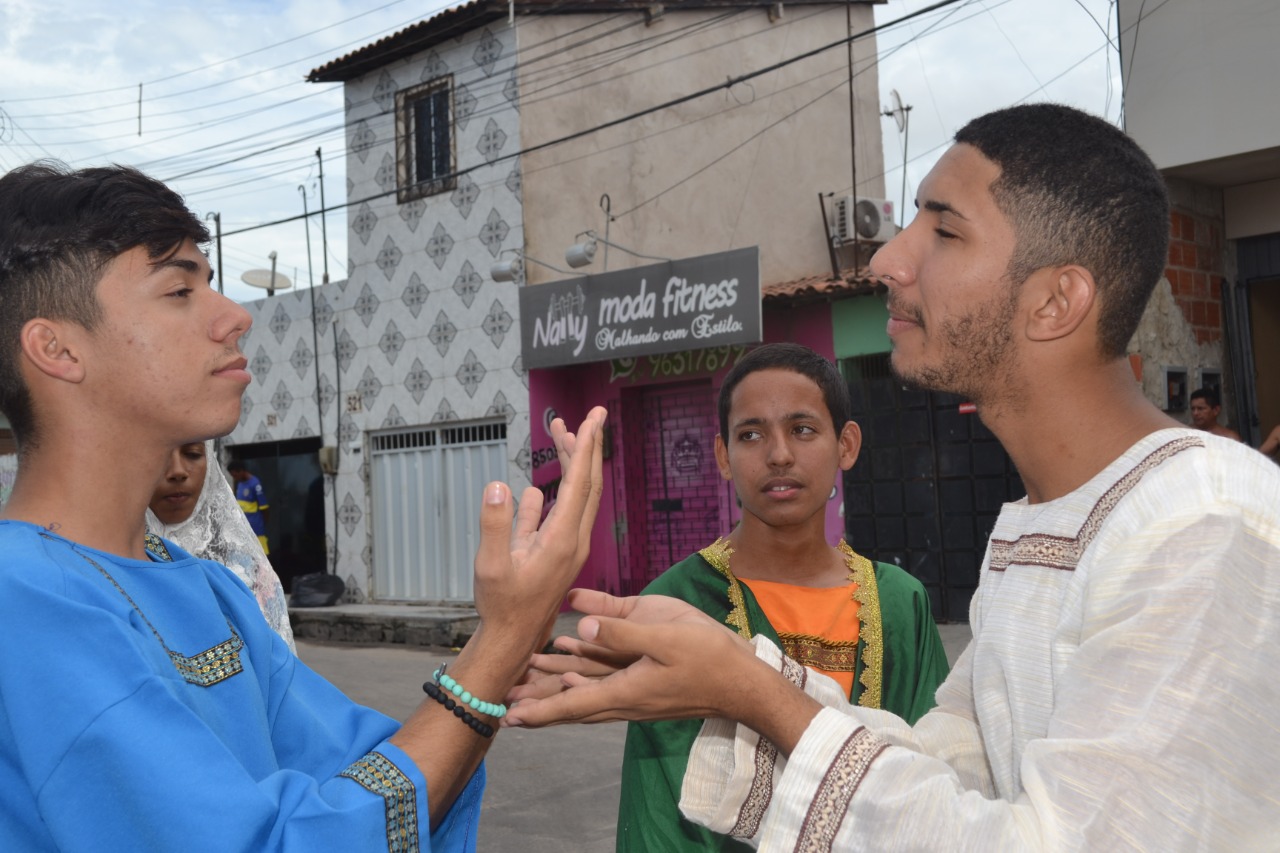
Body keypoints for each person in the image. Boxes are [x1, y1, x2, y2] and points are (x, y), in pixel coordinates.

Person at [507, 104, 1280, 849]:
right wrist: (731, 670)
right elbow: (949, 771)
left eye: (943, 230)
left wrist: (754, 691)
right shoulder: (1044, 525)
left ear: (1054, 301)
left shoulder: (1202, 522)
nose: (887, 259)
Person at [0, 161, 607, 850]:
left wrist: (513, 632)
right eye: (179, 290)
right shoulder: (23, 597)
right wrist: (500, 644)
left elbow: (374, 771)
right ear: (56, 348)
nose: (235, 316)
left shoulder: (207, 588)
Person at [615, 342, 949, 852]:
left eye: (803, 429)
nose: (778, 455)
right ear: (724, 456)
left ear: (846, 445)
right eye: (751, 435)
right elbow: (661, 814)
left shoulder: (900, 603)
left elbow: (933, 770)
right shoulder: (677, 603)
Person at [147, 440, 296, 651]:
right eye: (158, 452)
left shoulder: (245, 572)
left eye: (193, 454)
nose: (178, 471)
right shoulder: (113, 564)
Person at [228, 457, 271, 554]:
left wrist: (262, 525)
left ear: (241, 471)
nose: (234, 478)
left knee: (261, 556)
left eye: (235, 475)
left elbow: (265, 508)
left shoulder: (255, 484)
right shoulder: (239, 484)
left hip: (256, 529)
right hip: (244, 530)